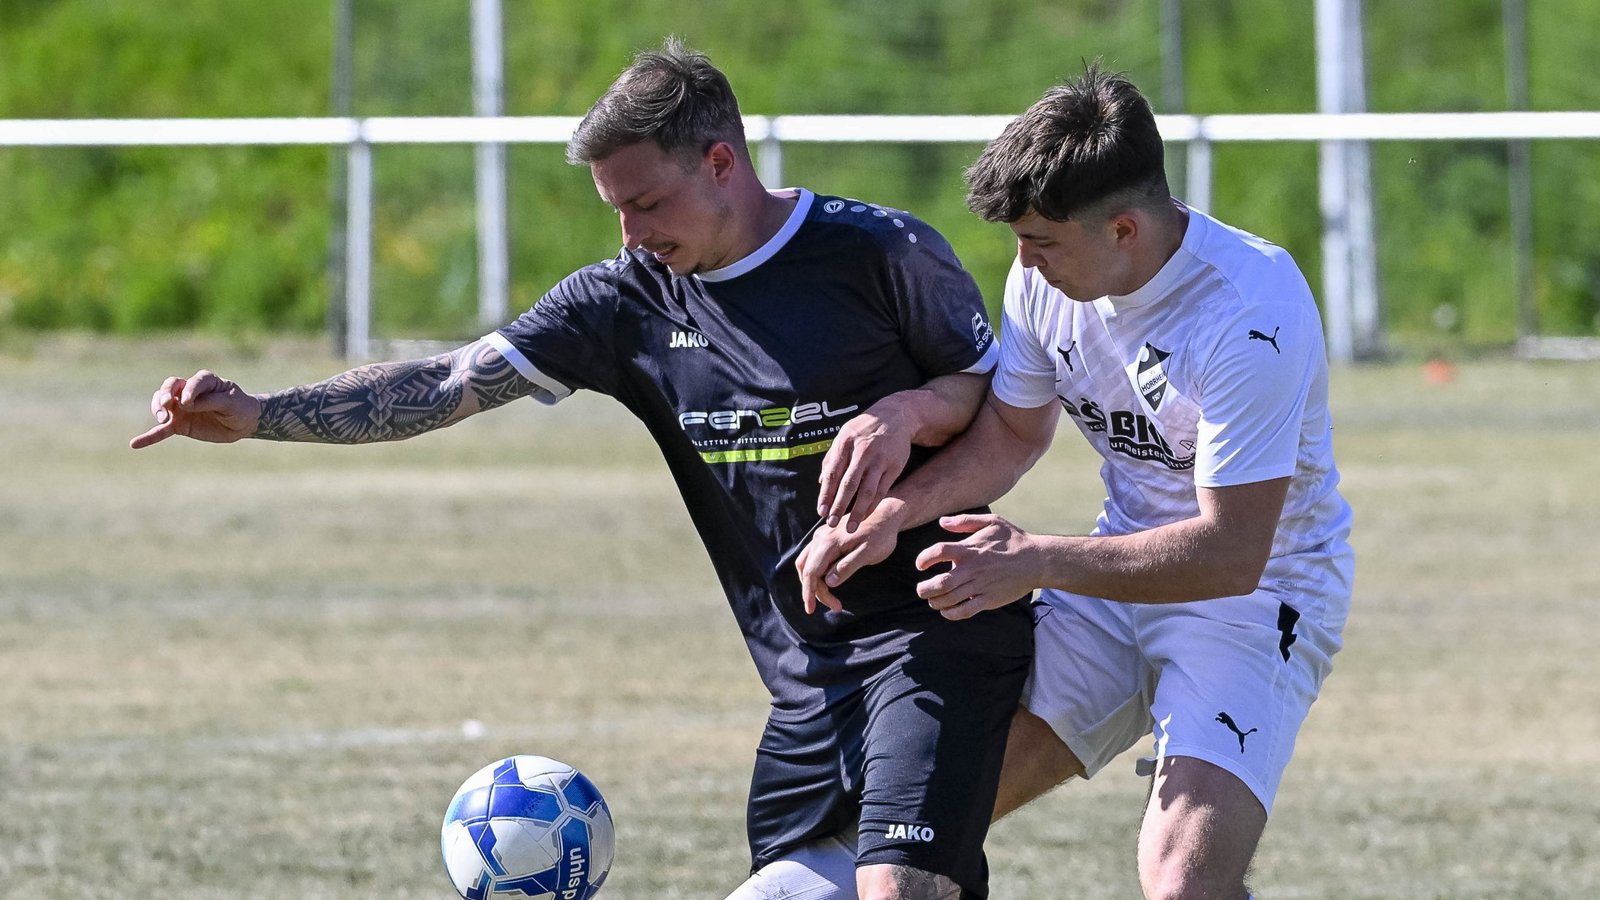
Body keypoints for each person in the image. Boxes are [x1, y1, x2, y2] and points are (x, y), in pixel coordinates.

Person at [130, 39, 1031, 900]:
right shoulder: (622, 303)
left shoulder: (883, 253)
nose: (631, 233)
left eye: (645, 203)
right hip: (803, 682)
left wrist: (904, 410)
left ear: (722, 163)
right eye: (615, 210)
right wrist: (258, 416)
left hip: (940, 626)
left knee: (899, 884)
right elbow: (446, 383)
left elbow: (997, 403)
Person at [798, 66, 1354, 900]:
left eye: (1042, 242)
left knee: (1182, 883)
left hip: (1255, 599)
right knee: (926, 823)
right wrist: (889, 514)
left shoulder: (1249, 311)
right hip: (1109, 578)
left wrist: (1032, 560)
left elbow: (1232, 553)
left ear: (1125, 229)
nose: (1021, 263)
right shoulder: (1045, 279)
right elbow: (1013, 433)